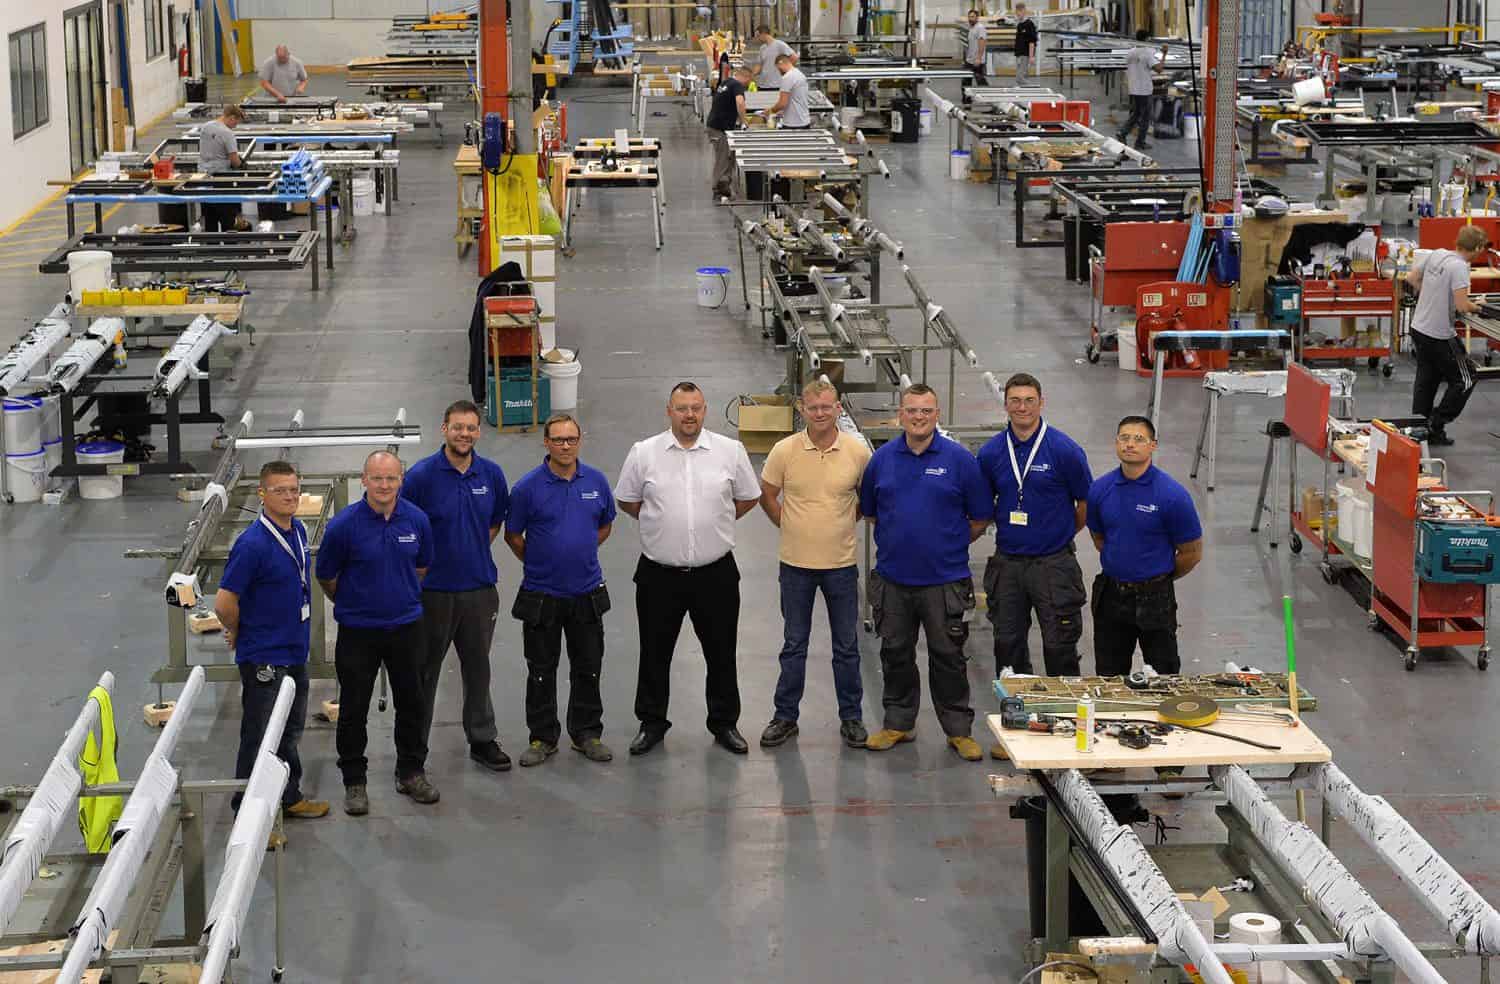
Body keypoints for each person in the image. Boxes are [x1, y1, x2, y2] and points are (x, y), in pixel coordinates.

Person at [615, 382, 761, 756]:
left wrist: (711, 527)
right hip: (659, 574)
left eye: (695, 407)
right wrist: (668, 529)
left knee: (721, 651)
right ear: (669, 411)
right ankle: (651, 723)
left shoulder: (730, 451)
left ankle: (725, 723)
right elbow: (629, 501)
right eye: (682, 408)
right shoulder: (644, 453)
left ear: (705, 409)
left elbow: (746, 498)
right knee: (654, 652)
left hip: (716, 573)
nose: (689, 415)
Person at [859, 383, 992, 762]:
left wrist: (945, 544)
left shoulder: (959, 460)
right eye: (912, 411)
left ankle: (958, 730)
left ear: (938, 415)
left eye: (926, 411)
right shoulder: (882, 459)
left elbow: (980, 517)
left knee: (948, 656)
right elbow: (870, 512)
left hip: (944, 580)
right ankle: (898, 723)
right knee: (895, 653)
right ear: (900, 415)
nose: (919, 418)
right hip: (894, 580)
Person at [315, 451, 437, 816]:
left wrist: (396, 597)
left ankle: (411, 772)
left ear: (401, 481)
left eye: (392, 479)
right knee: (353, 708)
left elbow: (421, 566)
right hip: (358, 631)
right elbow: (327, 576)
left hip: (407, 627)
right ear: (364, 480)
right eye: (377, 478)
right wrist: (357, 602)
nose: (384, 486)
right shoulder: (343, 526)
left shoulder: (417, 520)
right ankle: (355, 781)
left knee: (412, 703)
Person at [215, 460, 329, 848]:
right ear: (262, 495)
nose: (291, 496)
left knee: (291, 729)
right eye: (281, 490)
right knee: (261, 735)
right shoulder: (252, 545)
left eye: (295, 489)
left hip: (293, 649)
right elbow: (225, 601)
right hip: (265, 655)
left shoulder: (296, 529)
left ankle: (288, 795)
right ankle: (247, 815)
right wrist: (237, 629)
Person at [757, 381, 873, 749]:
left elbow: (866, 499)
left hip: (841, 566)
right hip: (795, 566)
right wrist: (787, 523)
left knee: (846, 646)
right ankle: (785, 716)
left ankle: (851, 718)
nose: (820, 413)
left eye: (826, 406)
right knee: (794, 644)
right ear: (801, 408)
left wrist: (842, 522)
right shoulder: (784, 450)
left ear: (838, 408)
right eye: (813, 407)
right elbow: (767, 493)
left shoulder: (857, 452)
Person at [400, 400, 511, 774]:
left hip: (479, 588)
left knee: (478, 668)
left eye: (471, 428)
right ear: (443, 429)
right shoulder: (421, 477)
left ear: (479, 432)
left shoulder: (491, 475)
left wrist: (471, 550)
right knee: (425, 671)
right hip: (433, 592)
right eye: (457, 427)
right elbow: (406, 528)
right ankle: (414, 748)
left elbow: (495, 523)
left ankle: (482, 738)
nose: (464, 434)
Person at [504, 414, 617, 766]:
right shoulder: (527, 488)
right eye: (558, 440)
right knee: (540, 668)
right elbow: (513, 535)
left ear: (580, 440)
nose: (565, 445)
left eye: (571, 439)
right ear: (546, 443)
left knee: (588, 667)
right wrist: (540, 560)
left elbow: (605, 525)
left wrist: (578, 552)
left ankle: (586, 734)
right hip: (542, 594)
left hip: (585, 591)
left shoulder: (596, 481)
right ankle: (542, 737)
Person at [976, 373, 1092, 691]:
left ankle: (1065, 720)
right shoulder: (990, 454)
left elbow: (1085, 503)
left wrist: (1060, 532)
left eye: (1029, 400)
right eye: (1015, 400)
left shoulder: (1064, 450)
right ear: (1005, 405)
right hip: (1008, 564)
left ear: (1042, 402)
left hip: (1054, 565)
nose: (1022, 407)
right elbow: (982, 505)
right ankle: (1016, 722)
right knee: (1007, 646)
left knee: (1060, 647)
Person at [1085, 416, 1203, 677]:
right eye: (1124, 438)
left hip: (1155, 598)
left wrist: (1158, 576)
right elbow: (1098, 537)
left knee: (1164, 675)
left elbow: (1192, 552)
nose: (1130, 444)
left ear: (1153, 446)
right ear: (1116, 443)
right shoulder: (1100, 490)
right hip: (1111, 596)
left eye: (1139, 439)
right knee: (1110, 677)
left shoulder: (1172, 495)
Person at [1407, 225, 1486, 446]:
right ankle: (1437, 422)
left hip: (1419, 327)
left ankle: (1419, 427)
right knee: (1466, 378)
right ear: (1477, 247)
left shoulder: (1437, 254)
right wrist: (1478, 306)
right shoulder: (1460, 267)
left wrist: (1434, 296)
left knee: (1427, 377)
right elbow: (1462, 306)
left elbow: (1411, 278)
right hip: (1439, 334)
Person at [197, 105, 245, 233]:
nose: (235, 126)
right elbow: (235, 161)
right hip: (221, 179)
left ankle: (211, 247)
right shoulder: (227, 133)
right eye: (236, 122)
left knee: (209, 217)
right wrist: (242, 166)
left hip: (203, 176)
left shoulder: (206, 126)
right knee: (227, 218)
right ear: (231, 117)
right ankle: (229, 246)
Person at [706, 66, 752, 199]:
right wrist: (744, 121)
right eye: (749, 81)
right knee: (723, 159)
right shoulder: (737, 85)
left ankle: (724, 186)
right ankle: (718, 190)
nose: (749, 84)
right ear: (746, 77)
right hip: (719, 129)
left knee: (728, 157)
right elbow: (740, 102)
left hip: (716, 126)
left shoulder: (726, 82)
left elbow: (726, 104)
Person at [1118, 31, 1164, 151]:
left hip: (1133, 88)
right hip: (1144, 90)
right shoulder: (1147, 53)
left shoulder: (1131, 52)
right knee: (1145, 117)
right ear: (1147, 39)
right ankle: (1140, 142)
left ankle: (1122, 132)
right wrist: (1164, 54)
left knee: (1137, 114)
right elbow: (1159, 69)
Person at [768, 55, 812, 130]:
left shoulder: (787, 77)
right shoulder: (799, 74)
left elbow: (782, 103)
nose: (779, 71)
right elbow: (795, 99)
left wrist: (770, 111)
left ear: (780, 63)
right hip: (804, 120)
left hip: (793, 124)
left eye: (778, 68)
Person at [753, 26, 796, 90]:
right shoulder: (762, 48)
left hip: (776, 85)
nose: (757, 38)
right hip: (763, 85)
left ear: (764, 34)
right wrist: (751, 74)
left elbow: (794, 57)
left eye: (758, 36)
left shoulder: (780, 45)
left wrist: (785, 71)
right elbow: (759, 65)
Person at [1013, 4, 1038, 86]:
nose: (1018, 13)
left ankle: (1033, 89)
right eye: (1017, 11)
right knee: (1021, 77)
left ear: (1024, 11)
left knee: (1019, 78)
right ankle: (1024, 93)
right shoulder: (1020, 25)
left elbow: (1032, 41)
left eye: (1020, 11)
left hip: (1025, 54)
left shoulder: (1029, 24)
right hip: (1019, 54)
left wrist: (1031, 56)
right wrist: (1017, 54)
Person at [963, 9, 989, 88]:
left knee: (980, 80)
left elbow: (982, 43)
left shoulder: (980, 28)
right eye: (969, 17)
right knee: (966, 80)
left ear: (977, 18)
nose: (970, 18)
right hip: (970, 60)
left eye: (973, 17)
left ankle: (986, 96)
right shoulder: (971, 28)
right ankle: (967, 99)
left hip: (977, 60)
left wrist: (979, 58)